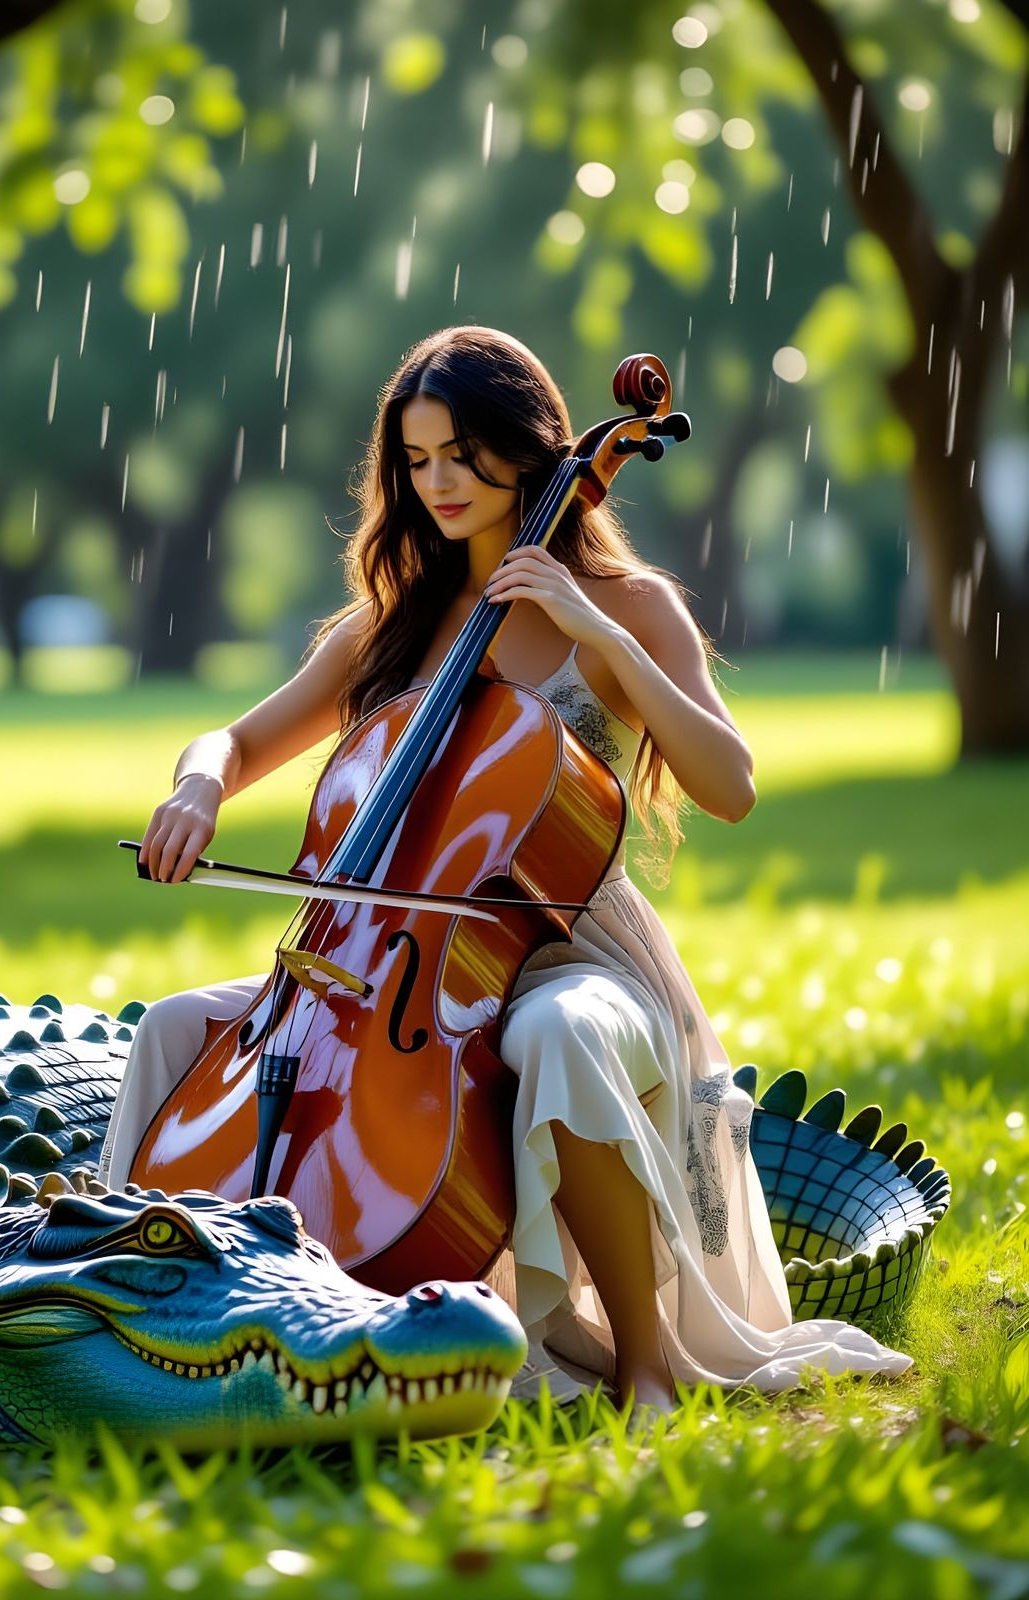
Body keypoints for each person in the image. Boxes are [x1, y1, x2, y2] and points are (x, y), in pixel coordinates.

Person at [99, 325, 913, 1416]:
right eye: (417, 459)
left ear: (528, 451)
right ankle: (129, 1320)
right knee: (170, 1028)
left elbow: (729, 783)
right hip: (388, 968)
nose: (437, 482)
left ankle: (644, 1368)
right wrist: (199, 785)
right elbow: (235, 743)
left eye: (461, 455)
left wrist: (599, 635)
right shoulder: (392, 624)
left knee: (553, 1032)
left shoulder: (628, 607)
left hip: (572, 951)